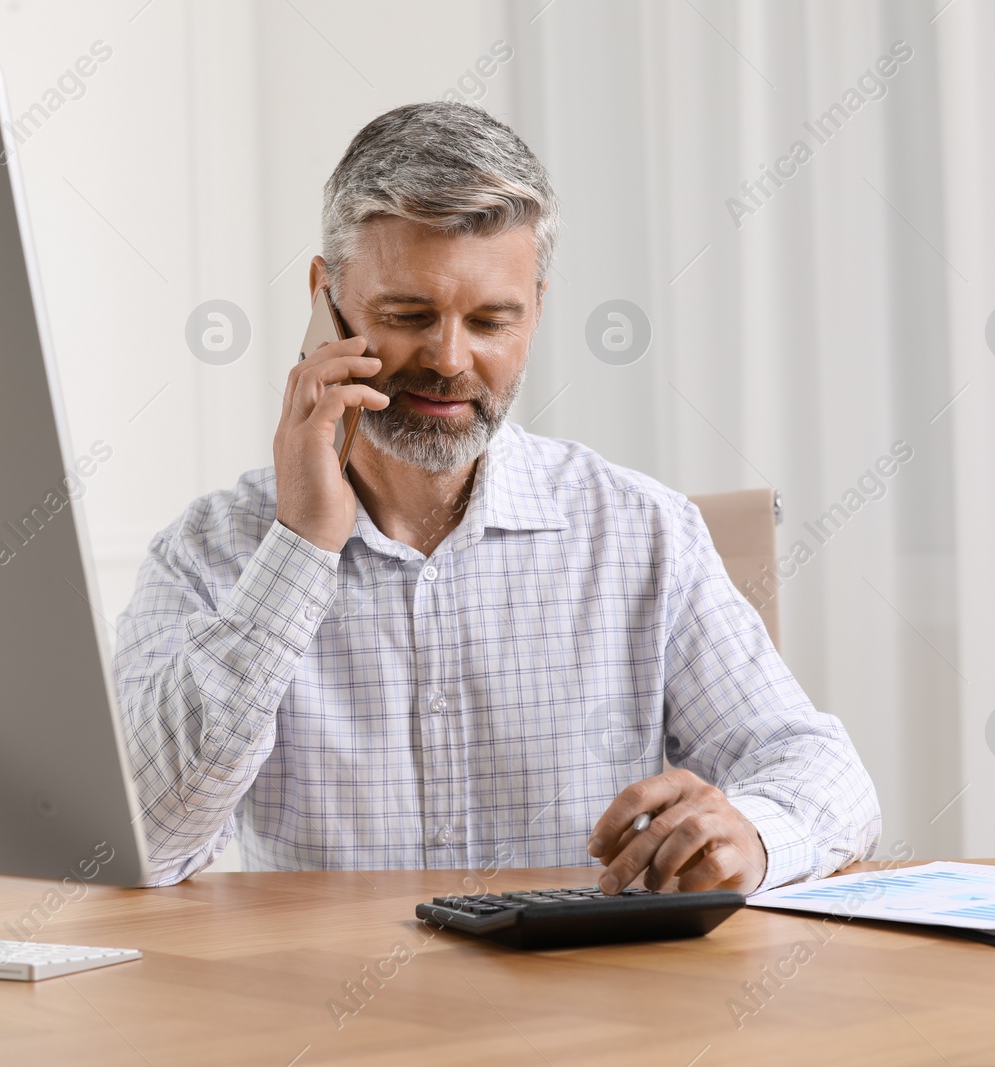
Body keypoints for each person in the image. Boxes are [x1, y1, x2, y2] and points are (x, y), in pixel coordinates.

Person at [114, 101, 881, 894]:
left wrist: (751, 833)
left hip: (576, 1007)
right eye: (409, 315)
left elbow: (825, 773)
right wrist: (301, 545)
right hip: (326, 1010)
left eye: (491, 320)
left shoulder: (642, 533)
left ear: (537, 310)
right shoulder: (208, 551)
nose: (451, 359)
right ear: (324, 297)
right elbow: (138, 841)